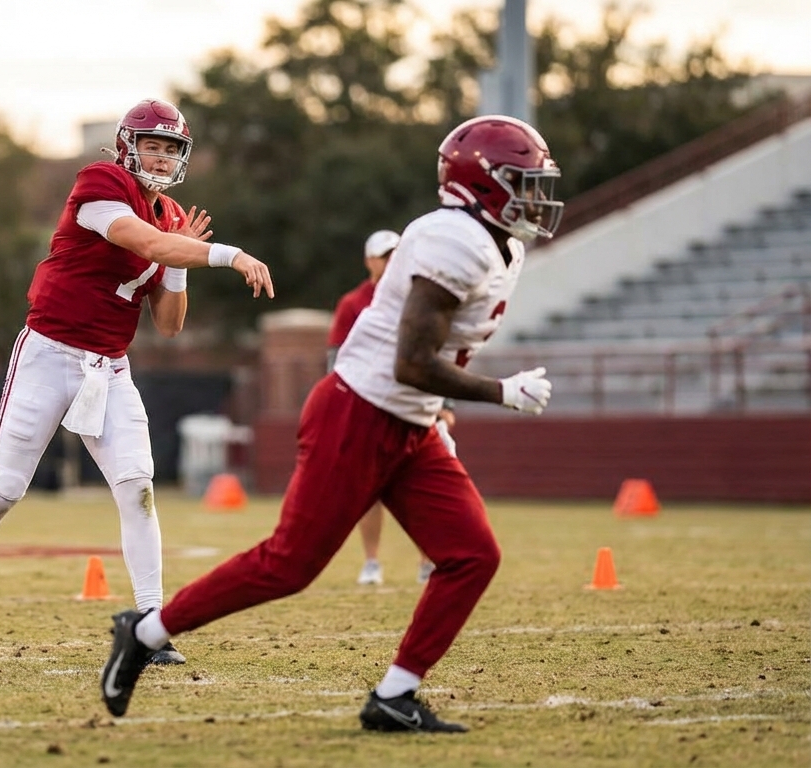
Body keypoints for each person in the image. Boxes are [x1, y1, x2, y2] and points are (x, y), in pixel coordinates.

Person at [100, 115, 563, 731]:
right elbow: (412, 362)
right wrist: (502, 391)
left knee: (472, 554)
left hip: (409, 423)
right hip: (361, 412)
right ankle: (146, 631)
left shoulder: (501, 242)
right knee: (288, 565)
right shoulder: (457, 241)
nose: (534, 194)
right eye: (521, 180)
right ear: (483, 182)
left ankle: (395, 697)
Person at [0, 98, 275, 665]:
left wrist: (183, 262)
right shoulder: (101, 182)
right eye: (152, 145)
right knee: (4, 492)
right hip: (48, 353)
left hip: (108, 367)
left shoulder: (172, 220)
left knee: (138, 487)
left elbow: (168, 323)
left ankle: (150, 625)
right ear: (127, 146)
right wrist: (225, 254)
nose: (160, 157)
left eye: (170, 148)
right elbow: (147, 244)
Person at [328, 230, 437, 587]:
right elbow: (338, 358)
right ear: (369, 261)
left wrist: (444, 403)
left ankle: (427, 562)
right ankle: (372, 562)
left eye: (396, 254)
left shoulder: (419, 296)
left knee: (425, 485)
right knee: (370, 489)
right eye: (384, 255)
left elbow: (436, 350)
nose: (391, 261)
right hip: (369, 404)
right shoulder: (353, 303)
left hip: (412, 402)